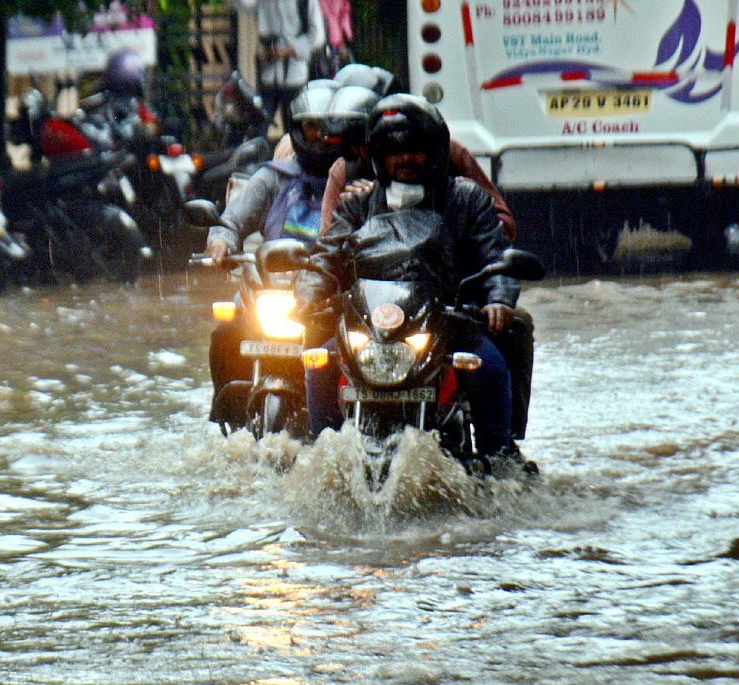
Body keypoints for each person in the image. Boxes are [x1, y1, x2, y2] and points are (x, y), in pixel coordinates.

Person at [294, 94, 521, 462]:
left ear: (434, 152)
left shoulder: (466, 199)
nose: (405, 160)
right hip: (371, 330)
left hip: (450, 323)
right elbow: (326, 255)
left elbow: (494, 255)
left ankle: (499, 461)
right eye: (393, 152)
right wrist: (306, 296)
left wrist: (497, 299)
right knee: (318, 363)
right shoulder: (359, 202)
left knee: (490, 366)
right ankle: (323, 458)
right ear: (379, 158)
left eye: (414, 150)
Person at [204, 80, 342, 429]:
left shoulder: (354, 180)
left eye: (329, 131)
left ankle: (338, 423)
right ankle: (231, 422)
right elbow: (232, 218)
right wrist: (220, 241)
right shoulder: (273, 178)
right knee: (225, 333)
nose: (321, 139)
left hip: (327, 296)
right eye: (312, 130)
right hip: (272, 290)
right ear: (297, 132)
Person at [235, 0, 325, 137]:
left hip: (295, 76)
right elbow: (243, 5)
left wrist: (290, 49)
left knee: (294, 134)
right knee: (259, 130)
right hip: (268, 74)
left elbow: (318, 36)